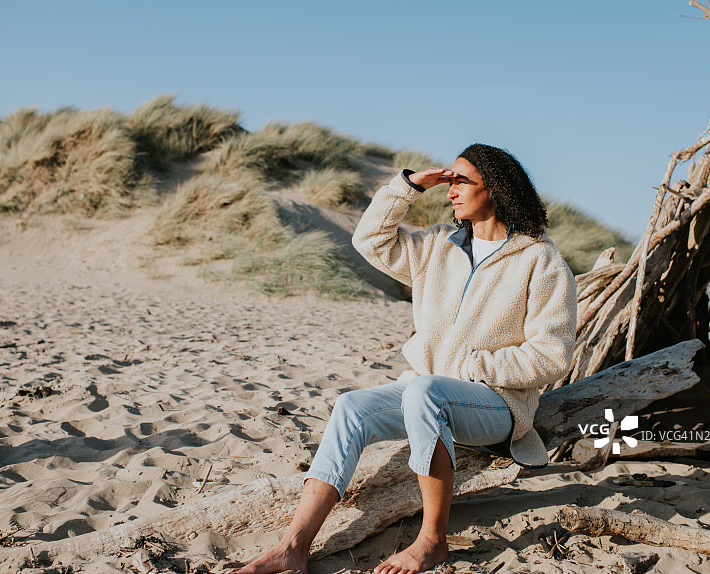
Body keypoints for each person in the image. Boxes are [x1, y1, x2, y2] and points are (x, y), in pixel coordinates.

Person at [233, 143, 577, 574]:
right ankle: (293, 546)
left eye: (462, 180)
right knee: (351, 408)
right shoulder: (438, 244)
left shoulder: (540, 259)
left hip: (498, 406)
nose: (451, 190)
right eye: (449, 180)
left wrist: (477, 367)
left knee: (425, 392)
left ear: (496, 189)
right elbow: (369, 239)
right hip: (424, 392)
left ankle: (433, 541)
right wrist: (408, 187)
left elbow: (554, 355)